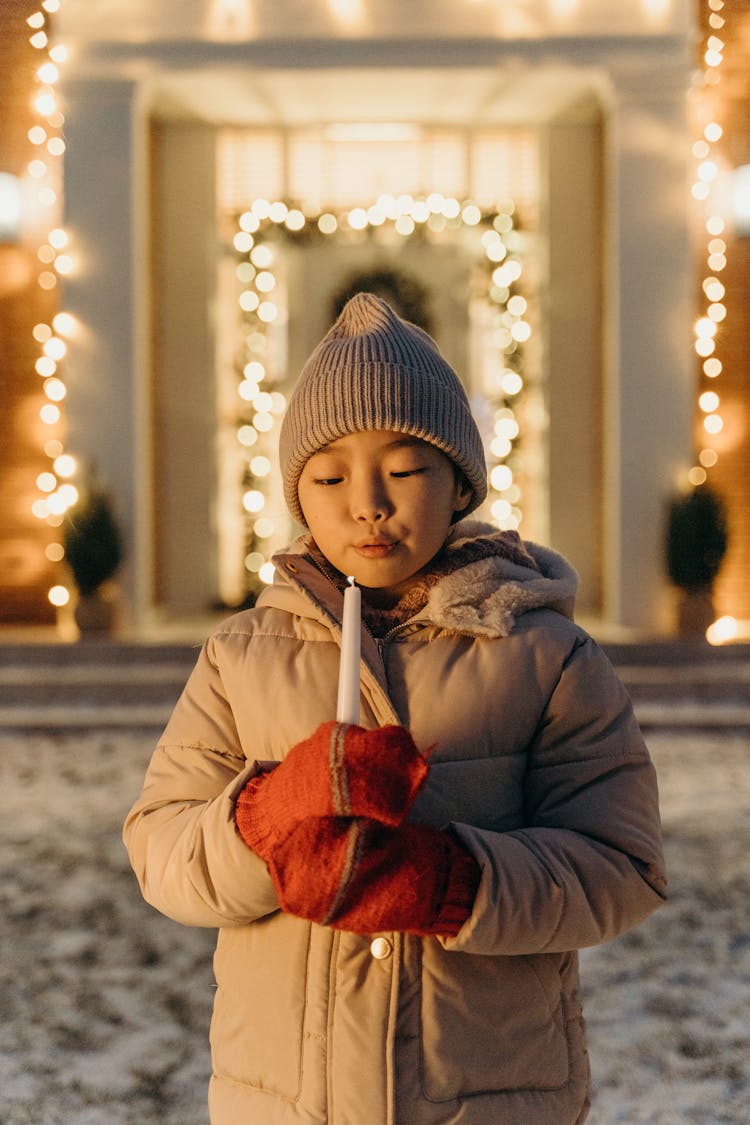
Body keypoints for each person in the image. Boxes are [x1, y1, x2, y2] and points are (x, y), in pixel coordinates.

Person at [123, 292, 666, 1125]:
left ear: (458, 485)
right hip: (289, 1102)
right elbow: (164, 851)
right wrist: (265, 823)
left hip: (486, 1097)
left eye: (406, 468)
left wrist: (452, 884)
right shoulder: (241, 657)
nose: (367, 501)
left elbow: (619, 867)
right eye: (330, 474)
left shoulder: (544, 657)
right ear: (299, 495)